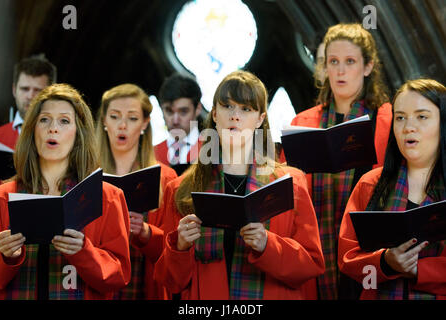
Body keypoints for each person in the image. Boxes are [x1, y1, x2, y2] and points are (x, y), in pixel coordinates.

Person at [154, 70, 325, 300]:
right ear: (215, 114)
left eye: (246, 109)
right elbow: (170, 283)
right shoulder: (182, 189)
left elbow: (311, 266)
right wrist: (180, 246)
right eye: (228, 106)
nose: (235, 116)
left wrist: (268, 245)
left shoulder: (289, 182)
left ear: (260, 119)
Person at [281, 23, 393, 299]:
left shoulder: (388, 120)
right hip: (317, 243)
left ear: (367, 67)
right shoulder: (303, 122)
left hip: (368, 247)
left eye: (350, 61)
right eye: (333, 62)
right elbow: (288, 191)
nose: (340, 71)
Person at [0, 84, 131, 300]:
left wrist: (83, 251)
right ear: (32, 130)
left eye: (64, 121)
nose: (53, 128)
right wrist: (5, 256)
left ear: (79, 134)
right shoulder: (1, 197)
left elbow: (118, 277)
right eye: (44, 119)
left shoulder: (108, 197)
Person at [338, 78, 446, 299]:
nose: (408, 127)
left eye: (422, 116)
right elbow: (347, 260)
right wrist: (384, 263)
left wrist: (420, 270)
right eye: (400, 118)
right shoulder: (370, 185)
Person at [95, 83, 177, 299]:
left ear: (144, 124)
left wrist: (146, 232)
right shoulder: (86, 175)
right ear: (104, 120)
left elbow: (176, 250)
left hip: (145, 284)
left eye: (132, 118)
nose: (122, 125)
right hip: (100, 284)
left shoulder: (166, 179)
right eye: (114, 116)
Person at [0, 55, 57, 150]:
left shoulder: (66, 138)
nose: (30, 96)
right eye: (25, 89)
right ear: (14, 90)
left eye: (38, 90)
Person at [154, 73, 204, 174]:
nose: (175, 120)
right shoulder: (151, 155)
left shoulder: (213, 153)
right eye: (169, 111)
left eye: (183, 112)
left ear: (198, 109)